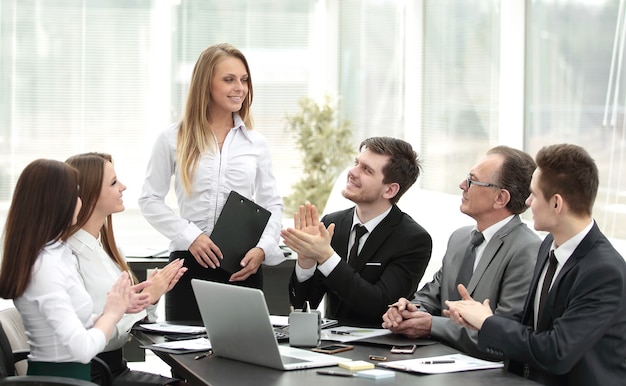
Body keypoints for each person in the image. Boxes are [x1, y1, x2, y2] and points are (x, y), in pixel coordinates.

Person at [445, 144, 626, 385]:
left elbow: (556, 352)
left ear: (556, 204)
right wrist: (482, 320)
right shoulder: (549, 244)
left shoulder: (604, 271)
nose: (528, 202)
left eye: (534, 194)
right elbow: (531, 323)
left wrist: (487, 322)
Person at [138, 43, 285, 322]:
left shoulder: (256, 143)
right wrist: (190, 236)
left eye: (244, 80)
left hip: (242, 267)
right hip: (188, 267)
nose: (239, 88)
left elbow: (272, 205)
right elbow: (149, 200)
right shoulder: (172, 138)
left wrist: (262, 249)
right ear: (206, 83)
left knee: (243, 360)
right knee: (186, 361)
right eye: (229, 79)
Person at [382, 146, 541, 360]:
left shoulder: (526, 248)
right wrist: (407, 310)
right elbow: (431, 297)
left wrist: (431, 325)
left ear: (500, 198)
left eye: (472, 180)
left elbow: (504, 330)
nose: (462, 185)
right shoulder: (459, 238)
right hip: (435, 363)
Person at [0, 159, 149, 381]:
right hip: (64, 381)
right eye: (75, 194)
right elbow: (82, 349)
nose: (80, 202)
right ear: (56, 202)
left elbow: (72, 320)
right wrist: (112, 314)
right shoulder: (43, 267)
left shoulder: (55, 254)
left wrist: (116, 308)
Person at [281, 137, 432, 327]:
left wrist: (326, 257)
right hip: (329, 344)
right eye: (356, 163)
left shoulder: (413, 239)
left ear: (390, 190)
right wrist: (306, 262)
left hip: (380, 348)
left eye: (366, 170)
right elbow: (303, 305)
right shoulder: (332, 224)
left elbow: (380, 305)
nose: (352, 172)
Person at [66, 152, 187, 385]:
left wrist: (150, 299)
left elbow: (130, 326)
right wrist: (144, 299)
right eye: (113, 183)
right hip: (93, 374)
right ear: (90, 195)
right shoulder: (70, 255)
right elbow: (88, 334)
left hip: (115, 368)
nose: (123, 187)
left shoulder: (109, 249)